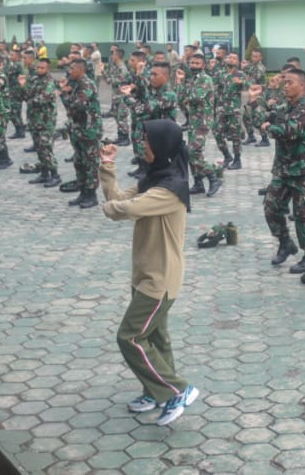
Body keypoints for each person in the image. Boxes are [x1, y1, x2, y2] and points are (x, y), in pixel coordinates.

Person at [99, 120, 200, 426]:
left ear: (162, 146)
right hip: (145, 275)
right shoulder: (154, 180)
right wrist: (107, 165)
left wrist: (110, 209)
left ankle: (177, 390)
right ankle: (156, 392)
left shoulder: (171, 189)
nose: (143, 146)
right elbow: (118, 198)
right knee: (156, 338)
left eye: (147, 142)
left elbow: (126, 209)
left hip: (160, 279)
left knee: (129, 336)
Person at [262, 69, 305, 273]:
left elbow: (289, 131)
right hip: (283, 169)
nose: (285, 86)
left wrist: (268, 127)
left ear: (302, 86)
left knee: (303, 214)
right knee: (271, 207)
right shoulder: (283, 106)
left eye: (290, 83)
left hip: (303, 170)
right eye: (284, 82)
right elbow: (260, 117)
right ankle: (285, 242)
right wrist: (253, 102)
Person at [176, 52, 223, 196]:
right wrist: (180, 82)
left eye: (197, 63)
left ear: (203, 65)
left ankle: (213, 176)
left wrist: (185, 90)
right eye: (191, 63)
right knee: (191, 153)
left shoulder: (205, 79)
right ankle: (198, 183)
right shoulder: (191, 79)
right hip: (193, 120)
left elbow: (195, 97)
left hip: (203, 121)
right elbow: (180, 98)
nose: (193, 66)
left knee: (193, 152)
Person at [61, 58, 102, 208]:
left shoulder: (87, 84)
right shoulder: (76, 85)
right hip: (78, 130)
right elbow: (69, 107)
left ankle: (92, 195)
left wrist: (66, 95)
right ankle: (83, 192)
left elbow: (77, 106)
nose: (70, 71)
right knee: (79, 162)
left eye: (72, 69)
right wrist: (64, 93)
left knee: (90, 163)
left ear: (80, 70)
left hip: (89, 131)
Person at [18, 58, 61, 187]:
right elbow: (26, 96)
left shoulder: (50, 82)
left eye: (42, 68)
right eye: (38, 67)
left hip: (46, 121)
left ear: (48, 69)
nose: (39, 70)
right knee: (39, 148)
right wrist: (23, 86)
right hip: (34, 120)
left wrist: (30, 98)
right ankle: (44, 173)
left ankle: (55, 175)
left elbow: (42, 99)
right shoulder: (34, 80)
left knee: (45, 148)